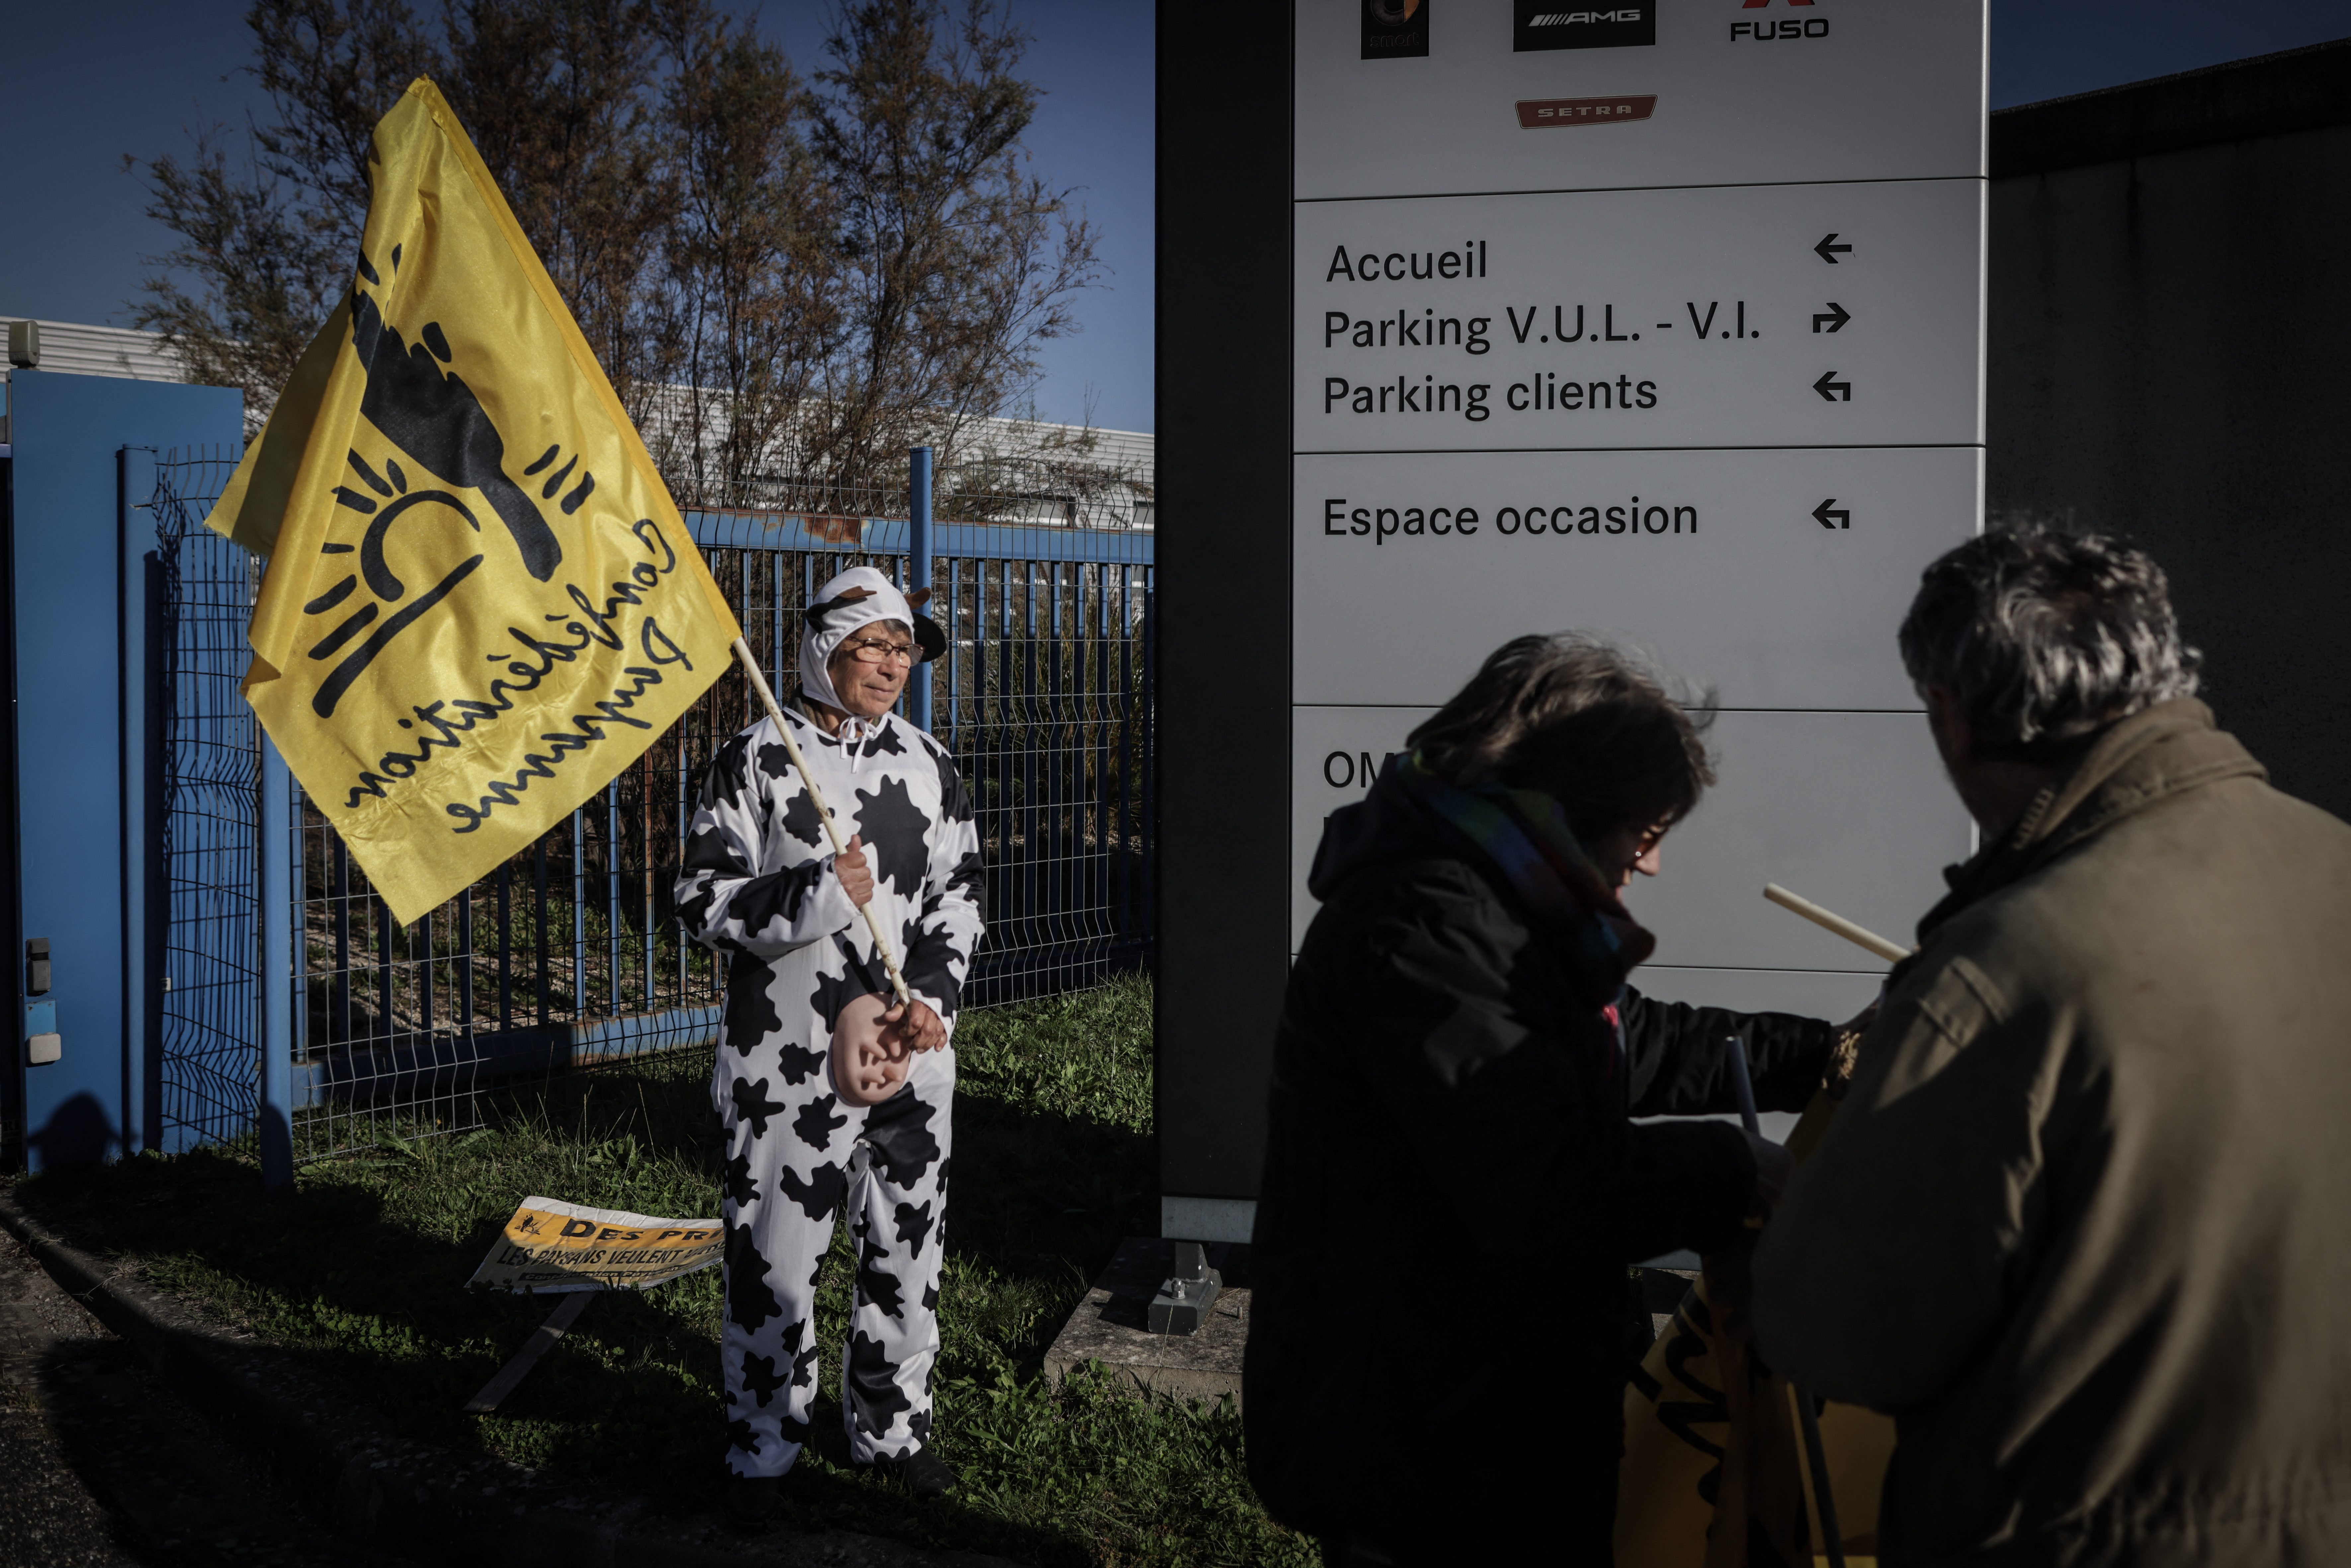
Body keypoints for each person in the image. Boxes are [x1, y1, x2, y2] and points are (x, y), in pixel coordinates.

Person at [1752, 529, 2351, 1565]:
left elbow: (1836, 1333)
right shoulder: (2334, 859)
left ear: (1949, 713)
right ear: (2163, 671)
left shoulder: (2009, 963)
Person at [1245, 633, 1862, 1565]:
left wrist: (1822, 1054)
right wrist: (1734, 1167)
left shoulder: (1501, 903)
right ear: (1574, 807)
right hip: (1424, 1449)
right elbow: (1543, 1185)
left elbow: (1630, 1038)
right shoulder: (1428, 926)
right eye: (1647, 835)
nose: (1651, 867)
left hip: (1486, 1415)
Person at [674, 565, 983, 1528]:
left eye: (903, 650)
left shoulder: (931, 764)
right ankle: (764, 1445)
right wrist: (814, 891)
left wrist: (934, 999)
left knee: (907, 1253)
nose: (892, 665)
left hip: (910, 1063)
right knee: (774, 1259)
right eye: (873, 647)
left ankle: (892, 1431)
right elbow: (701, 898)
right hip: (787, 1068)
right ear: (824, 649)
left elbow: (960, 896)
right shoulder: (755, 759)